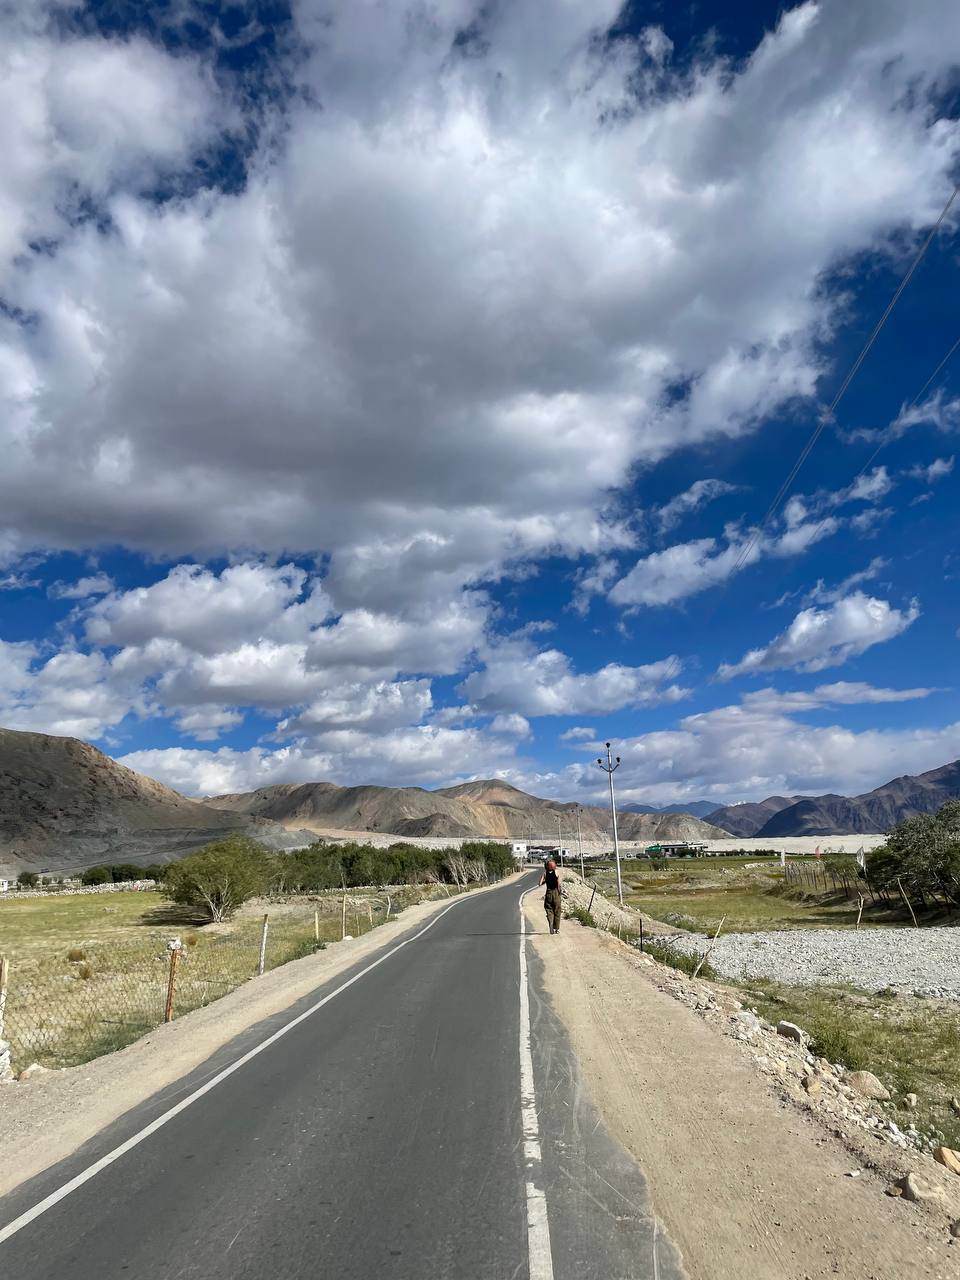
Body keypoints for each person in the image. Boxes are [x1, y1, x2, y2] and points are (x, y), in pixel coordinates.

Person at [539, 857, 563, 934]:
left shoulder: (545, 873)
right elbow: (558, 884)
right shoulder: (557, 872)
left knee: (549, 910)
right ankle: (557, 929)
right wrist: (560, 892)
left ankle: (551, 924)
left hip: (548, 893)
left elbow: (539, 883)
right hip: (556, 893)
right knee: (557, 911)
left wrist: (545, 881)